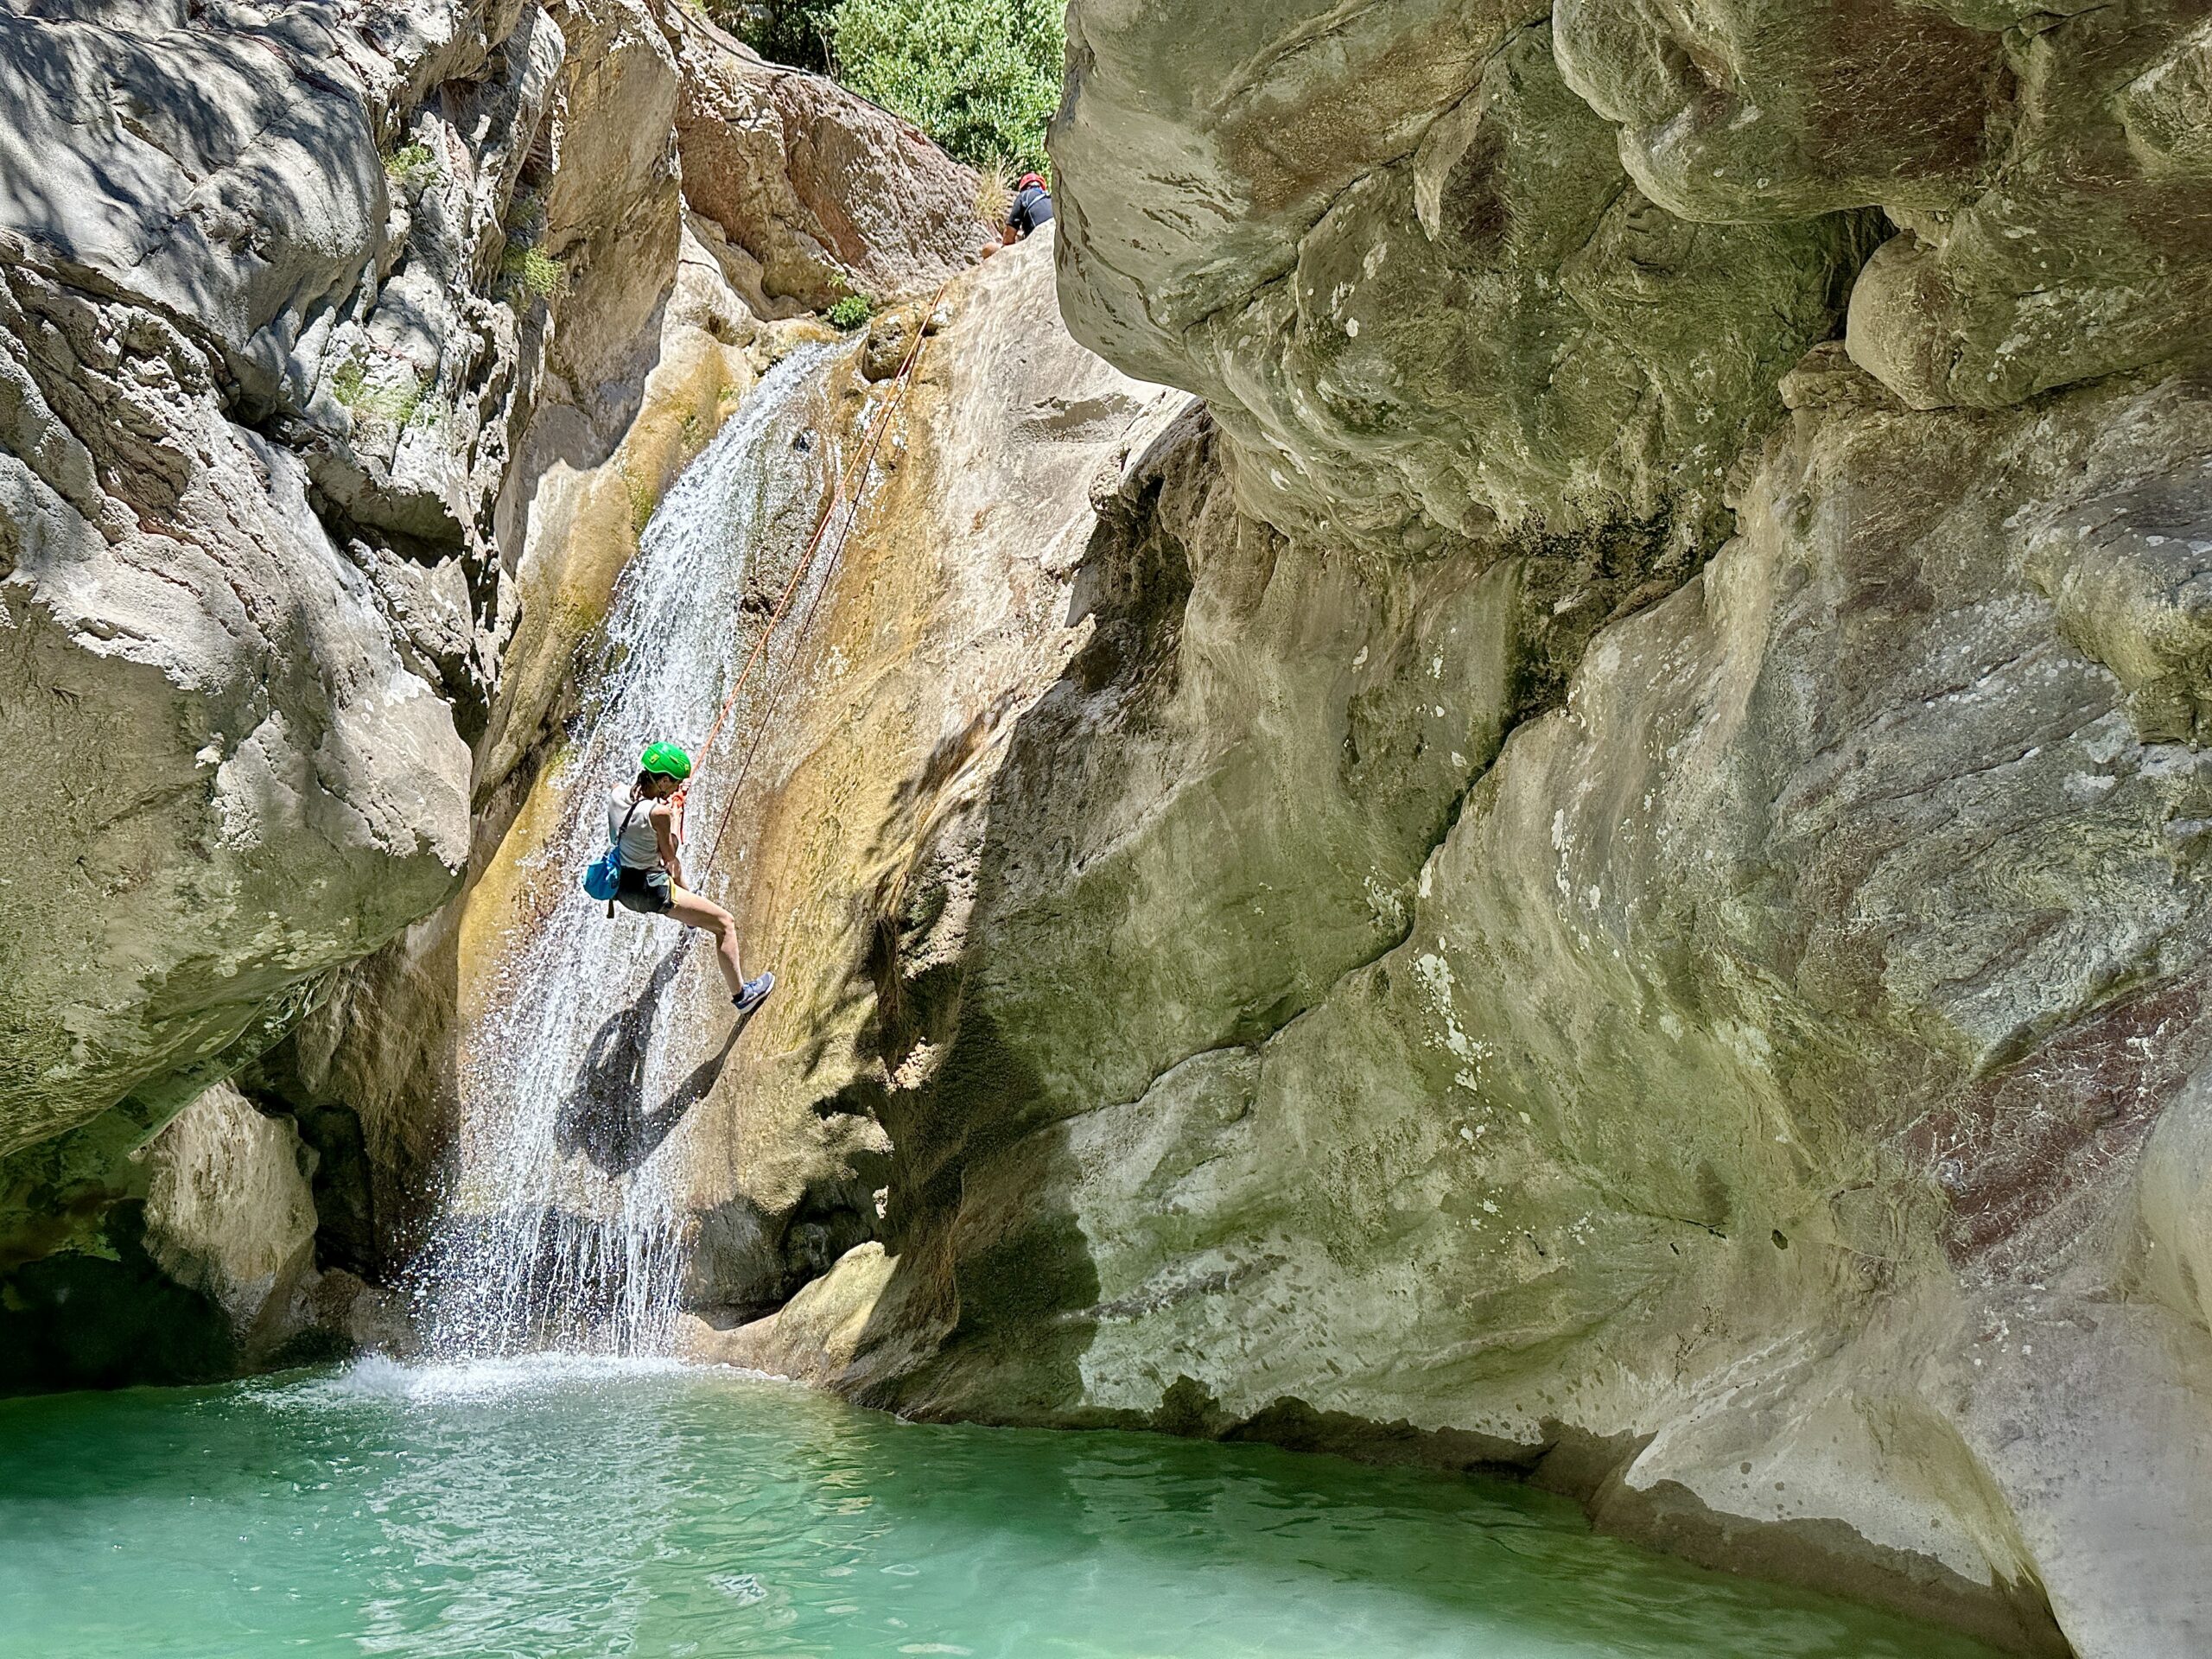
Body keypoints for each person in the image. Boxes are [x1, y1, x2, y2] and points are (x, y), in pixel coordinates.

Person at [610, 742, 774, 1013]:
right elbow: (670, 854)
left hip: (623, 888)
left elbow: (638, 817)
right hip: (650, 891)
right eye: (674, 783)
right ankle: (743, 996)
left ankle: (689, 921)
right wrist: (674, 815)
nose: (677, 788)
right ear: (663, 780)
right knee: (725, 924)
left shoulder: (617, 792)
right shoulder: (659, 813)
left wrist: (666, 803)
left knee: (675, 878)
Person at [982, 172, 1053, 257]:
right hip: (1055, 240)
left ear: (1023, 187)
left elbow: (1009, 237)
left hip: (1038, 246)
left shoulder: (1023, 197)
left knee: (987, 248)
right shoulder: (1050, 197)